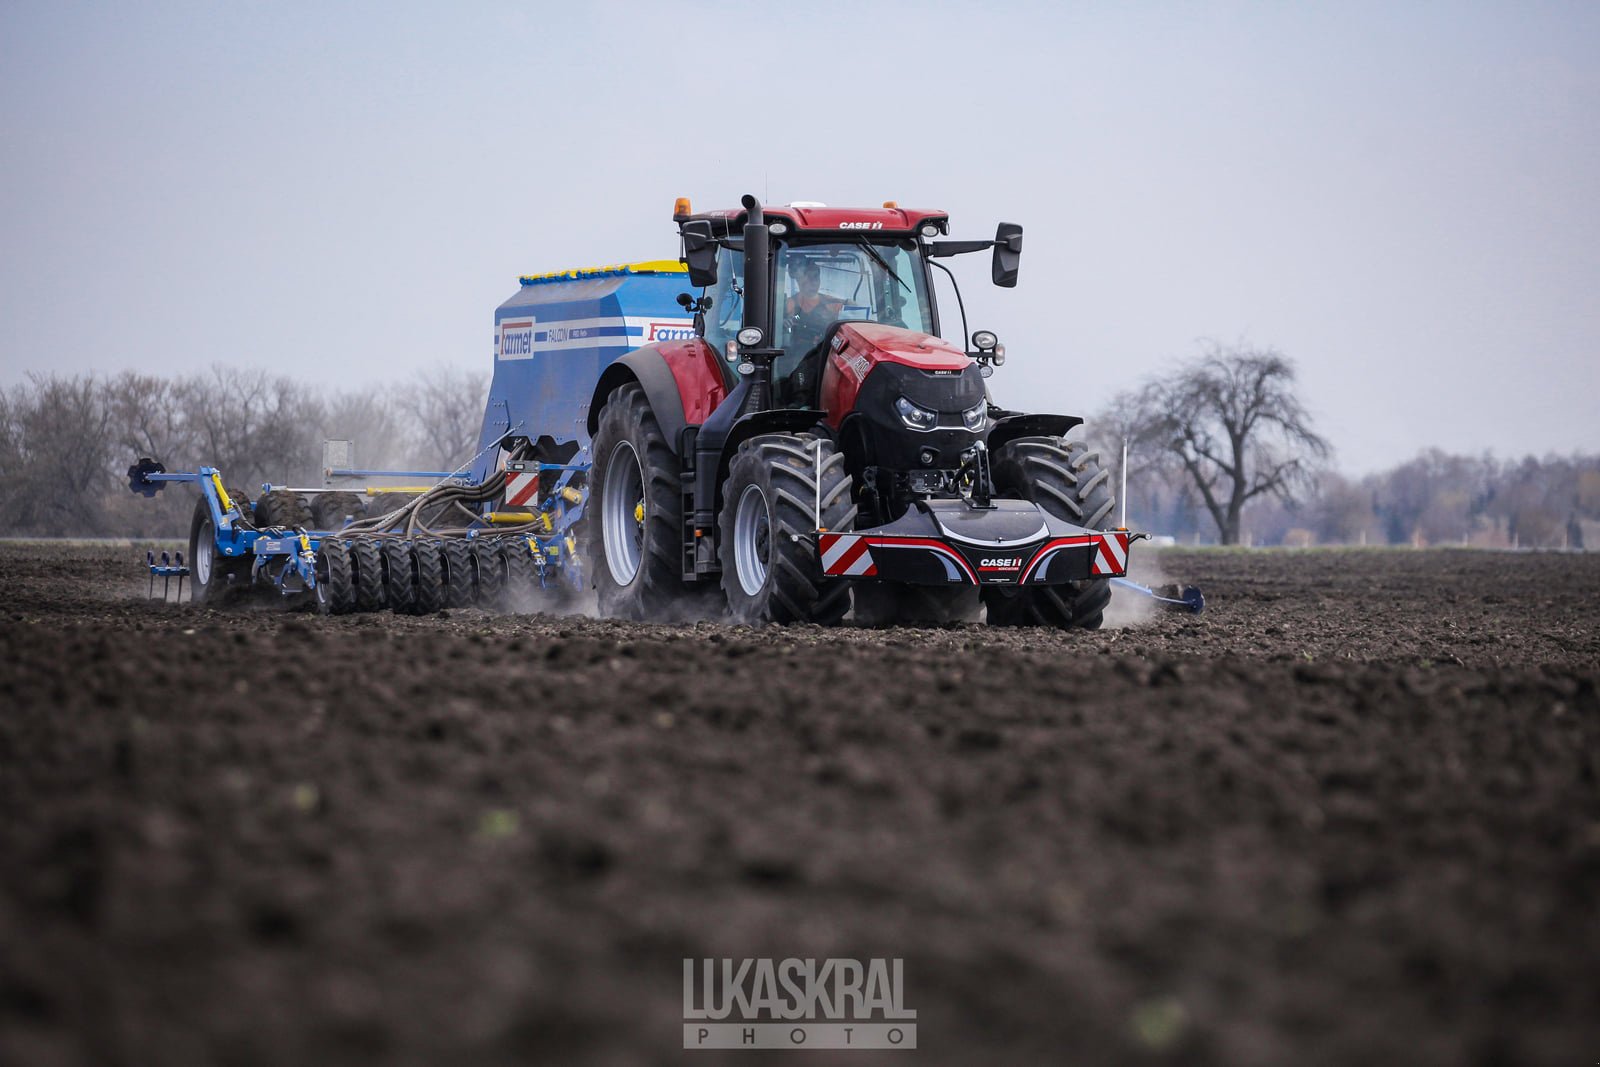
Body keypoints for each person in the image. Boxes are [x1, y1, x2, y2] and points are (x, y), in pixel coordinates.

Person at [784, 261, 844, 355]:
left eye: (816, 277)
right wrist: (784, 323)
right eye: (809, 278)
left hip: (825, 352)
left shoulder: (832, 303)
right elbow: (782, 326)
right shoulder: (789, 303)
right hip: (797, 356)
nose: (814, 282)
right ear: (800, 280)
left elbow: (853, 310)